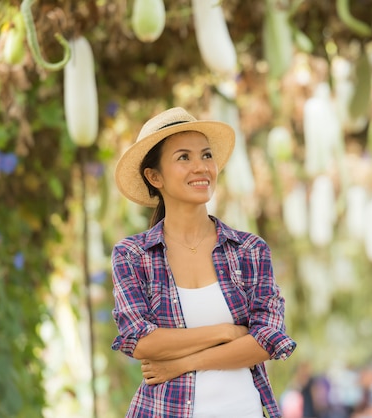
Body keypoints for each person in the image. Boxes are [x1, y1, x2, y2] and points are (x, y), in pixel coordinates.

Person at [110, 107, 297, 418]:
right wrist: (226, 332)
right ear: (154, 176)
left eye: (206, 156)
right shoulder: (133, 255)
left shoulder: (250, 250)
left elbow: (266, 340)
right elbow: (140, 340)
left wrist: (182, 363)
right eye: (184, 158)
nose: (201, 167)